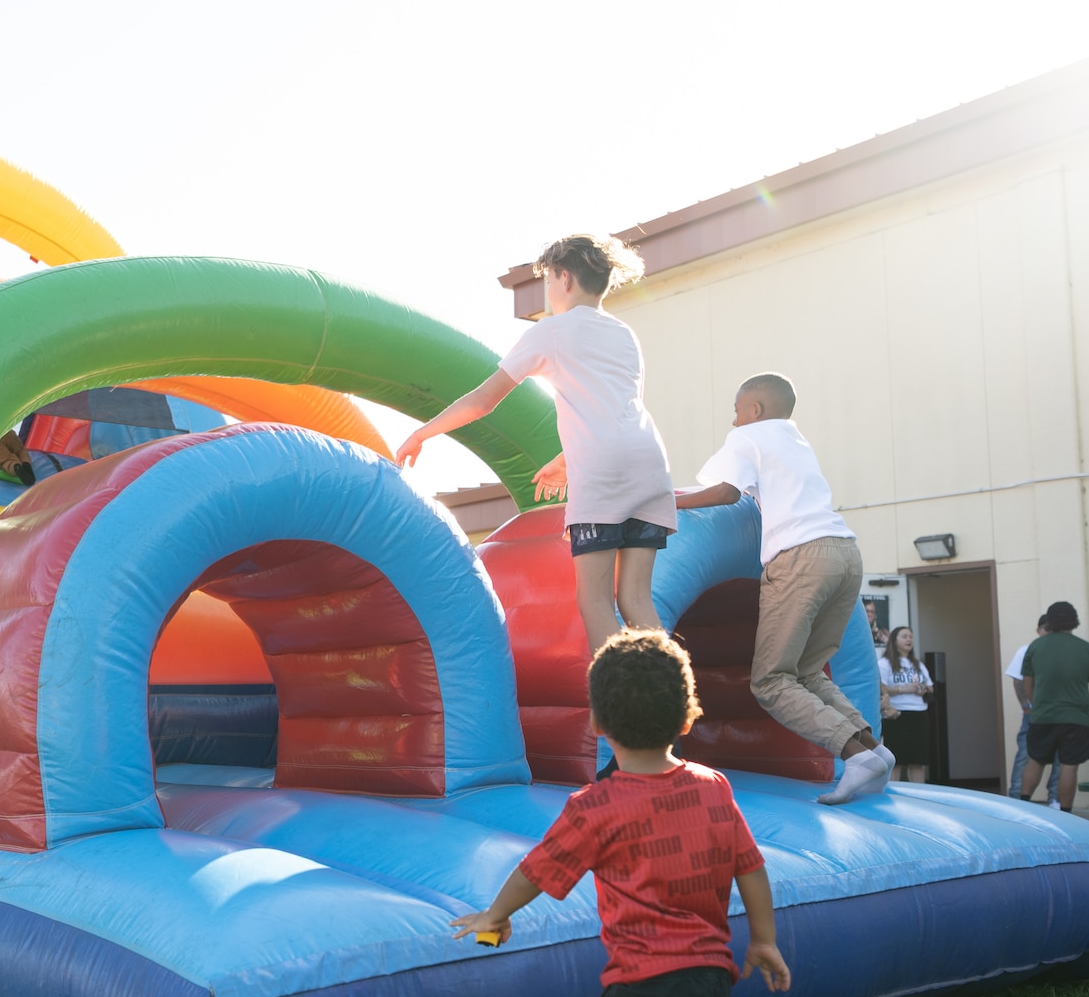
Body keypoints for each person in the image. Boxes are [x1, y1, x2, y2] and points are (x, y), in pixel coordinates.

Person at [452, 630, 785, 997]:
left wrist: (494, 917)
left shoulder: (596, 805)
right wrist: (762, 939)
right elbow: (752, 868)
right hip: (711, 984)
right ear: (687, 715)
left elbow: (537, 870)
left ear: (598, 724)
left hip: (645, 991)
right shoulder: (713, 788)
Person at [394, 233, 676, 665]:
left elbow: (483, 400)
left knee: (596, 602)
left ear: (563, 277)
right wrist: (568, 461)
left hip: (604, 475)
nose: (548, 293)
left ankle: (624, 720)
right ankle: (669, 705)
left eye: (547, 282)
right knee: (637, 600)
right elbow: (614, 411)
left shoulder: (551, 332)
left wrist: (423, 433)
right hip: (649, 466)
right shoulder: (623, 334)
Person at [678, 373, 891, 806]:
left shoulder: (748, 436)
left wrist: (667, 501)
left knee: (771, 681)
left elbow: (723, 491)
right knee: (808, 670)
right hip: (844, 552)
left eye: (737, 409)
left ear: (753, 409)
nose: (733, 419)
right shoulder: (795, 439)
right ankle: (874, 750)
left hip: (800, 557)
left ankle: (853, 754)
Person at [1018, 601, 1089, 813]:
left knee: (1035, 760)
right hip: (1076, 719)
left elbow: (1028, 681)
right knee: (1069, 766)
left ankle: (1023, 805)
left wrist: (1036, 704)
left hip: (1043, 717)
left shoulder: (1035, 647)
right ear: (1074, 621)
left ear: (1049, 621)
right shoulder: (1088, 650)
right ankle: (1066, 814)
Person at [878, 626, 935, 783]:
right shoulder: (884, 663)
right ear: (894, 640)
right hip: (896, 714)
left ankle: (919, 798)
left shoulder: (918, 664)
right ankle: (892, 797)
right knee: (895, 761)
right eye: (904, 636)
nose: (909, 639)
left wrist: (922, 689)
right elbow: (880, 687)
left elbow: (930, 687)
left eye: (910, 636)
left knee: (918, 761)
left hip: (919, 715)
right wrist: (903, 689)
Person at [1004, 616, 1047, 799]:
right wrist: (1026, 706)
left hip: (1056, 710)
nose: (1048, 632)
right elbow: (1017, 680)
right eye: (1046, 628)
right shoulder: (1026, 650)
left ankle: (1055, 799)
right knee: (1025, 753)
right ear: (1038, 630)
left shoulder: (1059, 651)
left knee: (1061, 757)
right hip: (1033, 712)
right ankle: (1016, 797)